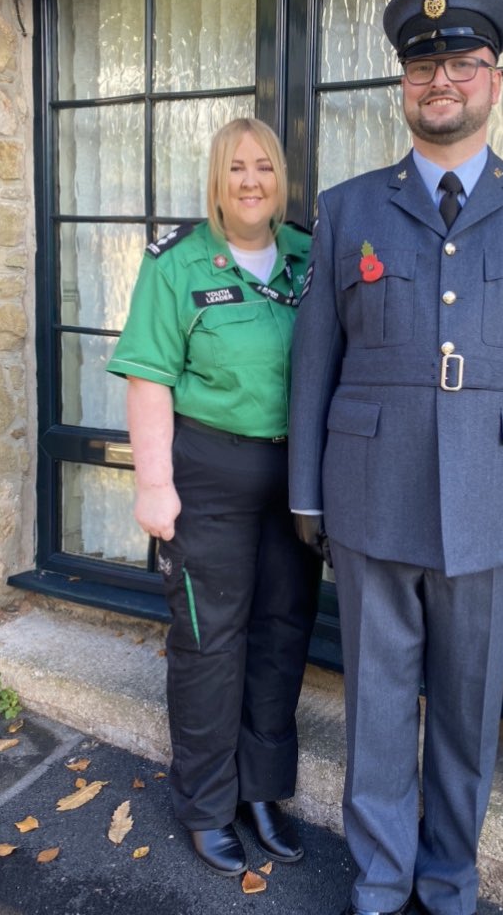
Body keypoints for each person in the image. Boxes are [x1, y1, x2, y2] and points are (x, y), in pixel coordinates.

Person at [289, 0, 503, 915]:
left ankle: (448, 879)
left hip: (496, 492)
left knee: (467, 707)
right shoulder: (348, 209)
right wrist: (306, 493)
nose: (442, 79)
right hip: (372, 485)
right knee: (377, 704)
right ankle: (380, 881)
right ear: (403, 85)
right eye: (424, 64)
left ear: (494, 81)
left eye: (463, 63)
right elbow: (314, 360)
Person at [107, 117, 320, 877]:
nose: (252, 181)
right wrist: (154, 486)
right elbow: (148, 378)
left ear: (280, 178)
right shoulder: (178, 263)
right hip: (207, 476)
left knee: (282, 632)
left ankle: (262, 790)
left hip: (295, 481)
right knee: (209, 642)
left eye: (264, 167)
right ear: (217, 179)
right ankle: (206, 803)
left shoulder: (306, 255)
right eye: (236, 168)